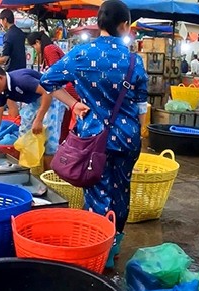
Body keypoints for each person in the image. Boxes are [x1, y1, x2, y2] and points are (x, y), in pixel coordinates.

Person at [41, 0, 148, 267]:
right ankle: (114, 247)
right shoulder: (134, 60)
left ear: (99, 23)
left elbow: (47, 81)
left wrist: (73, 104)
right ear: (124, 25)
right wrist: (139, 134)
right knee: (121, 191)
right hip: (127, 139)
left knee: (97, 192)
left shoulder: (81, 53)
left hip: (93, 138)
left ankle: (98, 250)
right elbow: (141, 106)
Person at [0, 65, 64, 166]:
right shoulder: (1, 91)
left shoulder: (21, 80)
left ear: (0, 78)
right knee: (24, 134)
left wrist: (39, 120)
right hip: (34, 101)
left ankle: (49, 170)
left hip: (52, 97)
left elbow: (47, 92)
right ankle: (30, 167)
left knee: (49, 137)